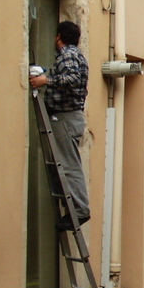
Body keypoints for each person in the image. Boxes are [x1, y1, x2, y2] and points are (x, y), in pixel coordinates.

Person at [29, 19, 90, 229]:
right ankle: (74, 208)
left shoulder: (68, 54)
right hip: (69, 117)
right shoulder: (77, 56)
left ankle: (79, 210)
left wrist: (46, 81)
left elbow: (71, 78)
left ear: (58, 37)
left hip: (65, 117)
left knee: (70, 166)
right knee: (66, 164)